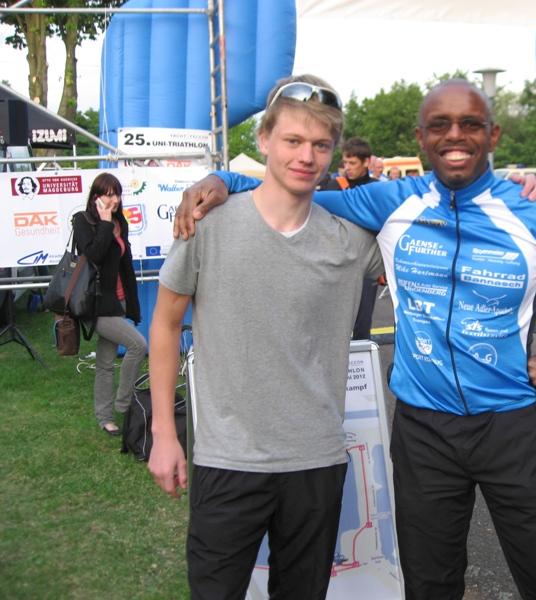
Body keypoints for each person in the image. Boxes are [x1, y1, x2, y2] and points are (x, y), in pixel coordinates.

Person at [177, 78, 536, 600]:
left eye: (470, 124)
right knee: (428, 586)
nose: (455, 136)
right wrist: (222, 179)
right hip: (423, 431)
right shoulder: (389, 201)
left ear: (492, 135)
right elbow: (294, 187)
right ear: (421, 137)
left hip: (510, 426)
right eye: (439, 125)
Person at [147, 75, 384, 600]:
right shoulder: (208, 225)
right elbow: (164, 325)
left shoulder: (352, 243)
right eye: (293, 140)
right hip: (227, 460)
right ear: (264, 140)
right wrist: (164, 433)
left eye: (320, 145)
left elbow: (429, 244)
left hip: (316, 461)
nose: (306, 156)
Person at [72, 173, 146, 436]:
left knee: (105, 361)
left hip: (118, 301)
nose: (114, 200)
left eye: (117, 194)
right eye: (109, 194)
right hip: (96, 304)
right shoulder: (82, 220)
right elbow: (94, 255)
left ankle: (104, 417)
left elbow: (125, 265)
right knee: (138, 345)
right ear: (97, 197)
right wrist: (104, 223)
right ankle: (124, 405)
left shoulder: (119, 221)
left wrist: (132, 304)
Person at [321, 136, 382, 340]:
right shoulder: (334, 185)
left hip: (367, 267)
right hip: (337, 263)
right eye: (345, 162)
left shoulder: (377, 189)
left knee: (363, 325)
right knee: (333, 325)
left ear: (366, 162)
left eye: (352, 163)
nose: (347, 167)